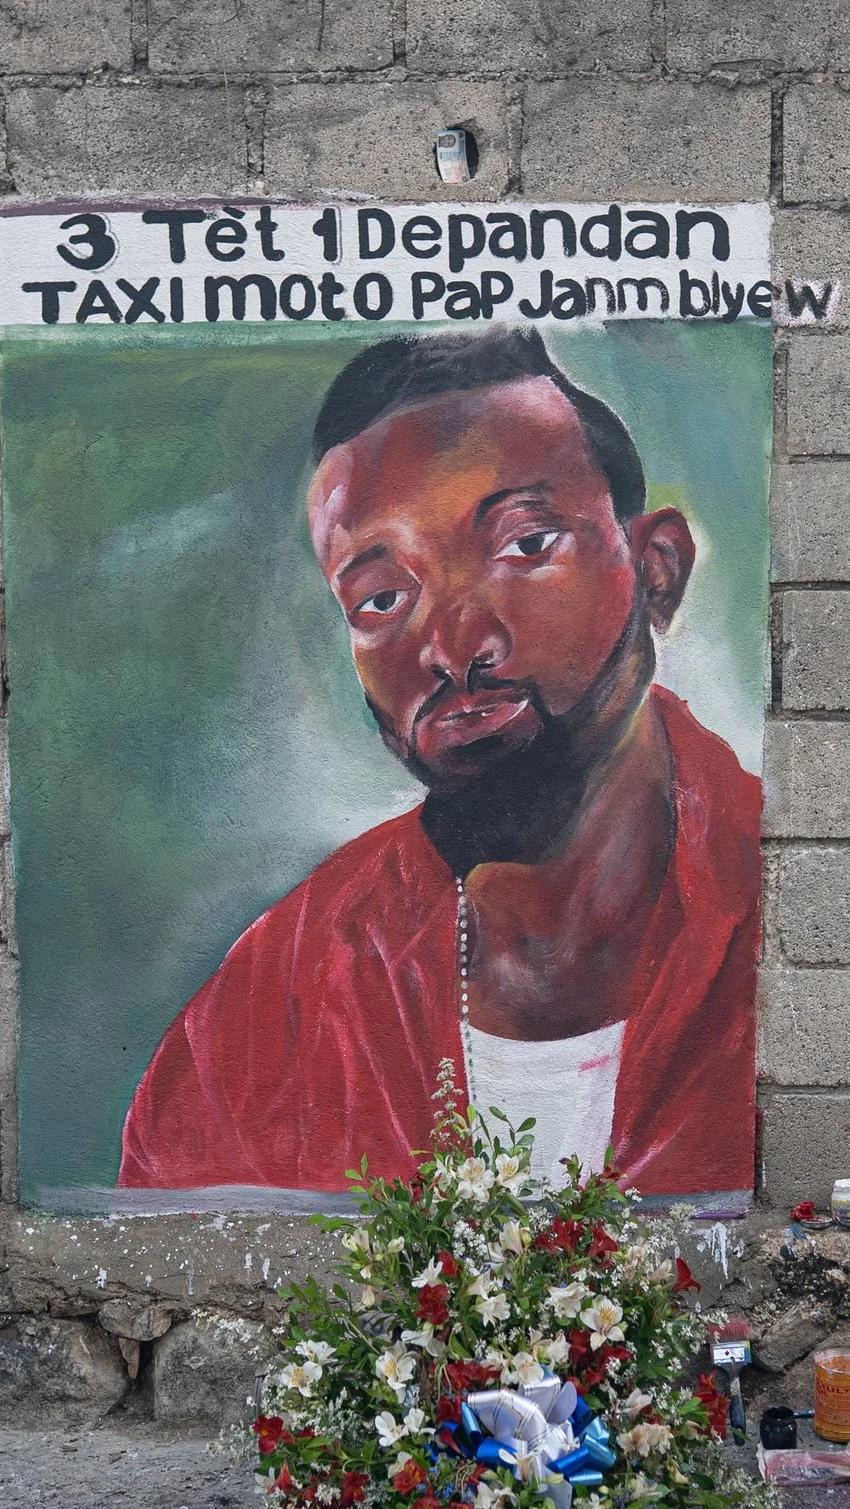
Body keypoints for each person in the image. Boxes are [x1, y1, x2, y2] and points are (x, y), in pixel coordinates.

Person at [117, 327, 759, 1202]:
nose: (454, 647)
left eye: (525, 546)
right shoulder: (273, 1008)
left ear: (657, 571)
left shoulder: (789, 911)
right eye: (383, 598)